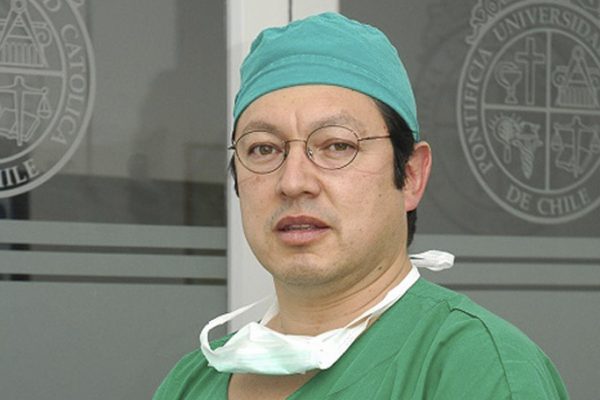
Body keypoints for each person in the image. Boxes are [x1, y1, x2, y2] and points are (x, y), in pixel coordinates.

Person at [153, 12, 569, 399]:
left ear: (410, 175)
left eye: (337, 145)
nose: (293, 182)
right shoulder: (191, 383)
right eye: (263, 148)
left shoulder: (476, 369)